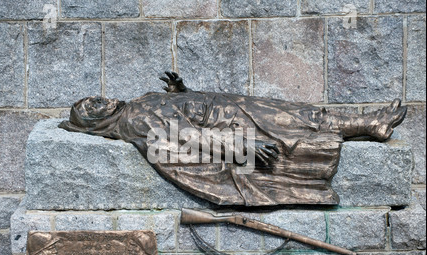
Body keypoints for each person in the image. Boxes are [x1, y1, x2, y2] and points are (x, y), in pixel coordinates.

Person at [59, 72, 407, 206]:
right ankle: (368, 123)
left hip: (226, 108)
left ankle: (368, 122)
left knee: (297, 113)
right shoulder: (135, 119)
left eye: (91, 98)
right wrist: (244, 146)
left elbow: (180, 115)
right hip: (232, 122)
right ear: (95, 122)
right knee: (297, 119)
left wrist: (182, 92)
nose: (95, 99)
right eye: (89, 107)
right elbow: (188, 137)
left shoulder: (135, 104)